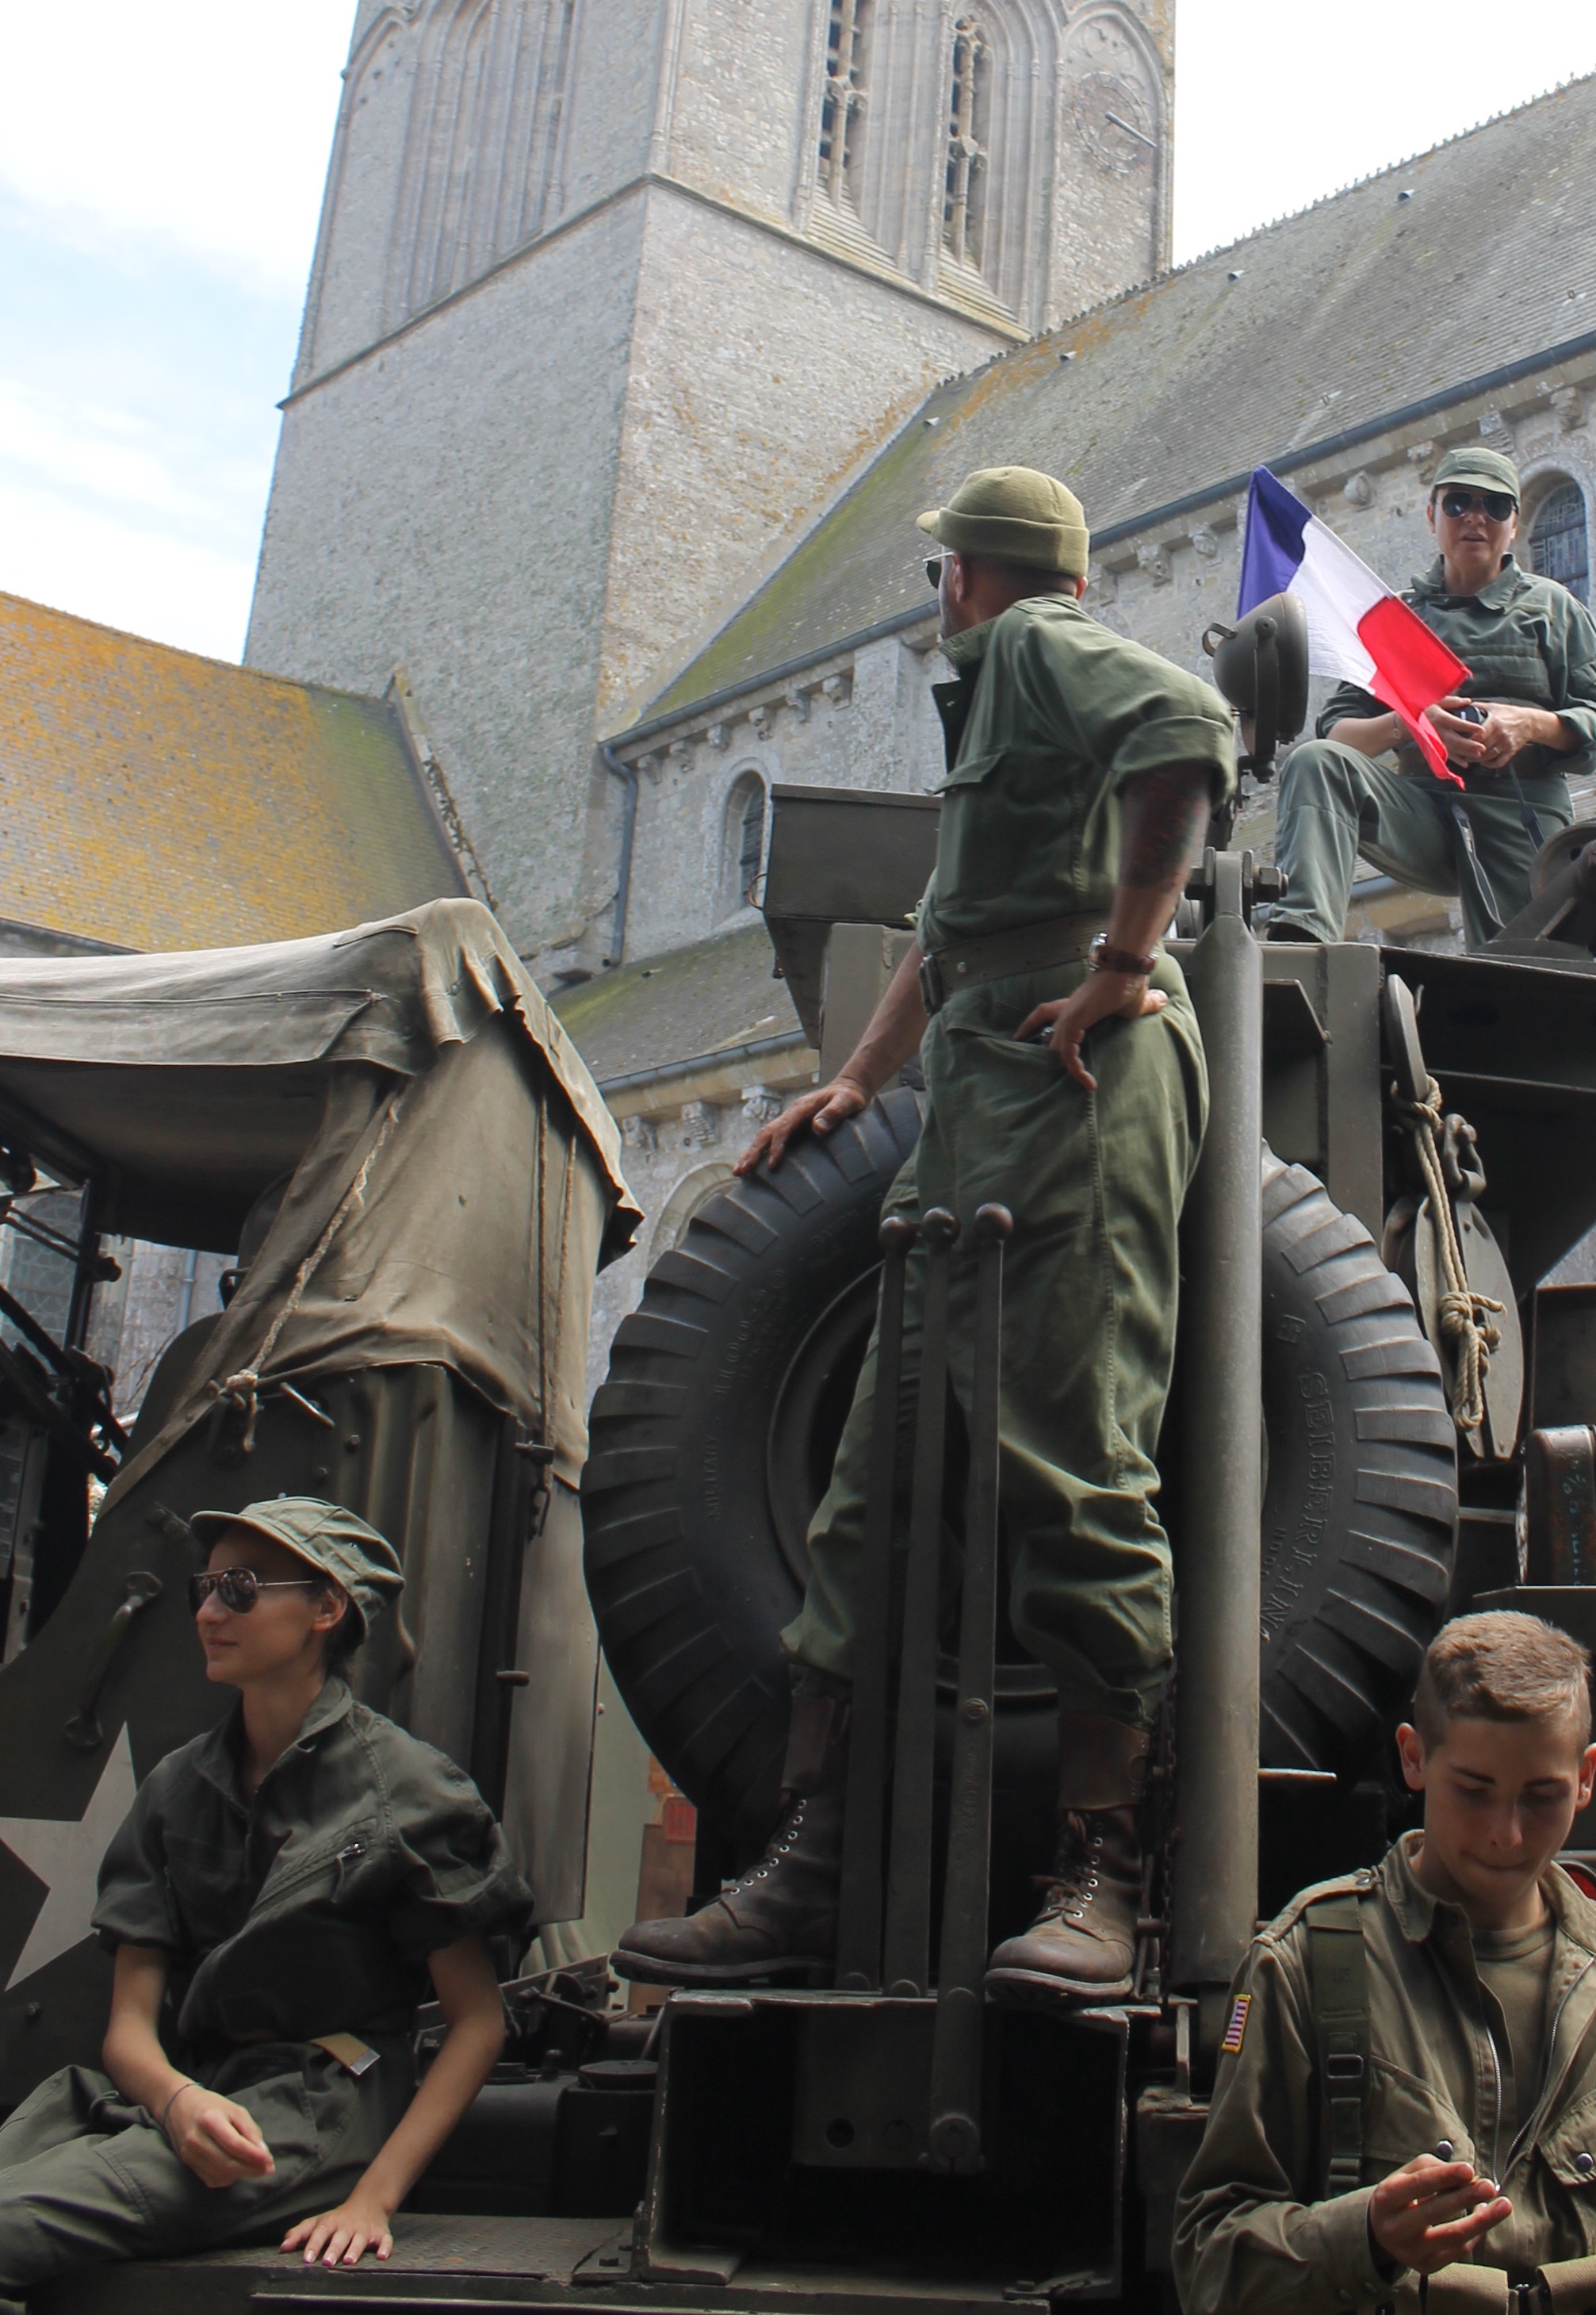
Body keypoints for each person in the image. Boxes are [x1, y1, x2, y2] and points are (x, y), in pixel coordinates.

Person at [614, 463, 1238, 2006]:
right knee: (874, 1487)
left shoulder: (1032, 644)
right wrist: (855, 1080)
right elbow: (945, 936)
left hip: (1074, 1078)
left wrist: (1121, 961)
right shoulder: (997, 702)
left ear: (966, 574)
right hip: (977, 1087)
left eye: (942, 568)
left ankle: (1102, 1872)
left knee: (1072, 1460)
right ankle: (817, 1862)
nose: (938, 592)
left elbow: (1187, 735)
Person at [0, 1497, 530, 2295]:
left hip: (317, 2104)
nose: (209, 1612)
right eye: (205, 1589)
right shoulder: (177, 1788)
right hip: (183, 2095)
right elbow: (129, 2031)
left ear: (327, 1608)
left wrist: (373, 2200)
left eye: (241, 1588)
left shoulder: (410, 1795)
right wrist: (178, 2102)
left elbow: (478, 2022)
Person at [1173, 1610, 1596, 2315]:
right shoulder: (1309, 1969)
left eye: (1542, 1796)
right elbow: (1209, 2261)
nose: (1507, 1833)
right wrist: (1365, 2237)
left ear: (1586, 1776)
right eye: (1474, 1790)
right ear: (1414, 1758)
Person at [1264, 448, 1596, 946]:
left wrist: (1529, 725)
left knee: (1520, 971)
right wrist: (1410, 724)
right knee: (1315, 762)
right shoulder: (1397, 619)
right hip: (1422, 812)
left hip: (1520, 814)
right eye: (1458, 503)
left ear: (1515, 524)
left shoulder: (1553, 609)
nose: (1475, 518)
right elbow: (1338, 734)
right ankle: (1301, 939)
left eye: (1494, 506)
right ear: (1432, 516)